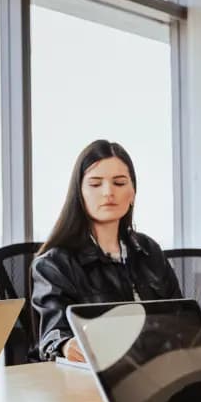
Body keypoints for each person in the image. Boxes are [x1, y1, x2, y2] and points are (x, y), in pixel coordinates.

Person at [32, 139, 182, 363]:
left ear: (132, 193)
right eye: (95, 184)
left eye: (119, 183)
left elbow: (181, 318)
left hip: (155, 368)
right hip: (95, 379)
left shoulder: (149, 251)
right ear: (79, 194)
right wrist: (65, 345)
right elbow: (53, 335)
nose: (108, 192)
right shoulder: (54, 264)